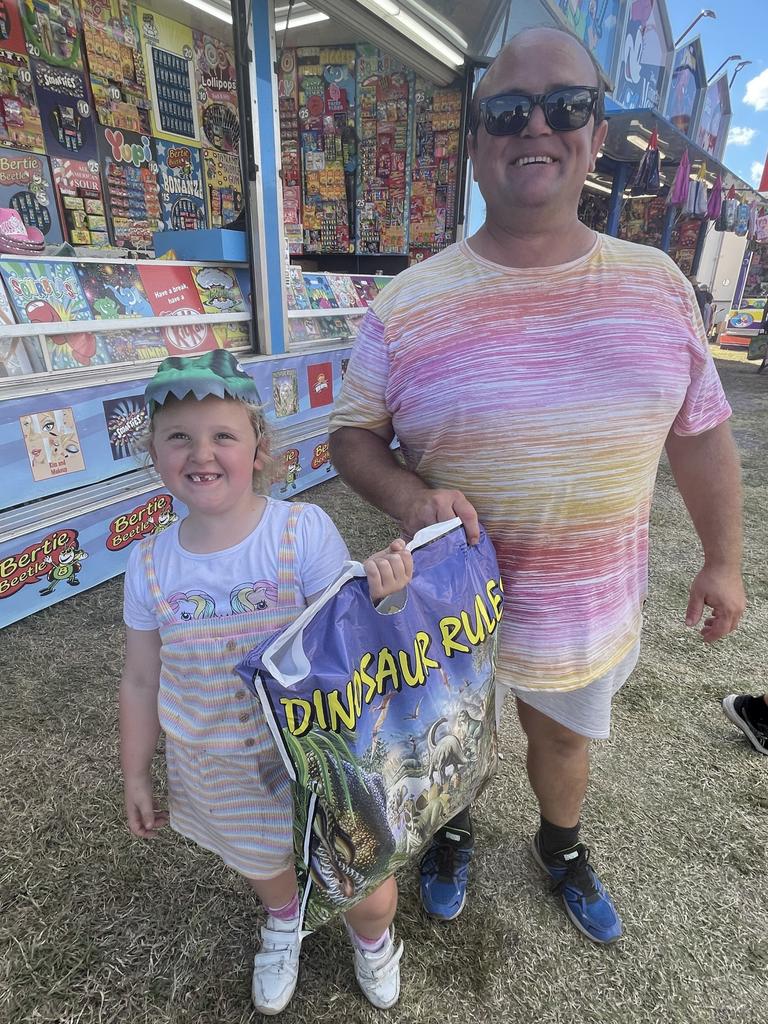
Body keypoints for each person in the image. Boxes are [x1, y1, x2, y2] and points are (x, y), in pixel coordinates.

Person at [329, 25, 745, 946]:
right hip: (446, 606)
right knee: (450, 739)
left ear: (596, 135)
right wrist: (407, 498)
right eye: (509, 111)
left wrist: (723, 561)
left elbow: (703, 435)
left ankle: (561, 848)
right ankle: (451, 833)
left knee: (562, 743)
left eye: (567, 107)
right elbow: (351, 437)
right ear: (478, 140)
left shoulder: (658, 285)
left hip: (586, 603)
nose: (538, 128)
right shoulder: (407, 301)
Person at [119, 350, 412, 1014]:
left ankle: (373, 941)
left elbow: (350, 640)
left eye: (223, 434)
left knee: (367, 884)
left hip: (324, 759)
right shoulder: (147, 565)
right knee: (266, 867)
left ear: (258, 448)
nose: (203, 452)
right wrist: (136, 773)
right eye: (179, 438)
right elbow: (140, 679)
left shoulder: (301, 533)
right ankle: (285, 920)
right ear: (155, 455)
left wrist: (386, 599)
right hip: (217, 763)